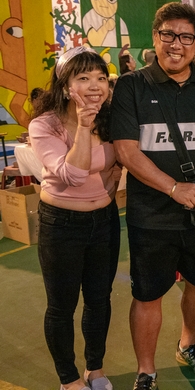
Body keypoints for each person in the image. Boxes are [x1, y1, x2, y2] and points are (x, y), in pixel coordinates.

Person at [110, 2, 195, 390]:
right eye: (168, 35)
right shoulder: (132, 86)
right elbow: (126, 151)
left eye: (185, 37)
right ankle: (146, 370)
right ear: (155, 37)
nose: (176, 44)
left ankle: (189, 344)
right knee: (147, 294)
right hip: (151, 214)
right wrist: (172, 188)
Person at [30, 46, 121, 390]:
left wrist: (110, 187)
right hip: (61, 225)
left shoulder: (111, 118)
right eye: (83, 78)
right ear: (66, 86)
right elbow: (74, 175)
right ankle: (68, 379)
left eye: (101, 78)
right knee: (62, 306)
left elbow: (122, 160)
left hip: (105, 221)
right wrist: (84, 126)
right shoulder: (45, 126)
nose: (95, 85)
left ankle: (94, 368)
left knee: (99, 300)